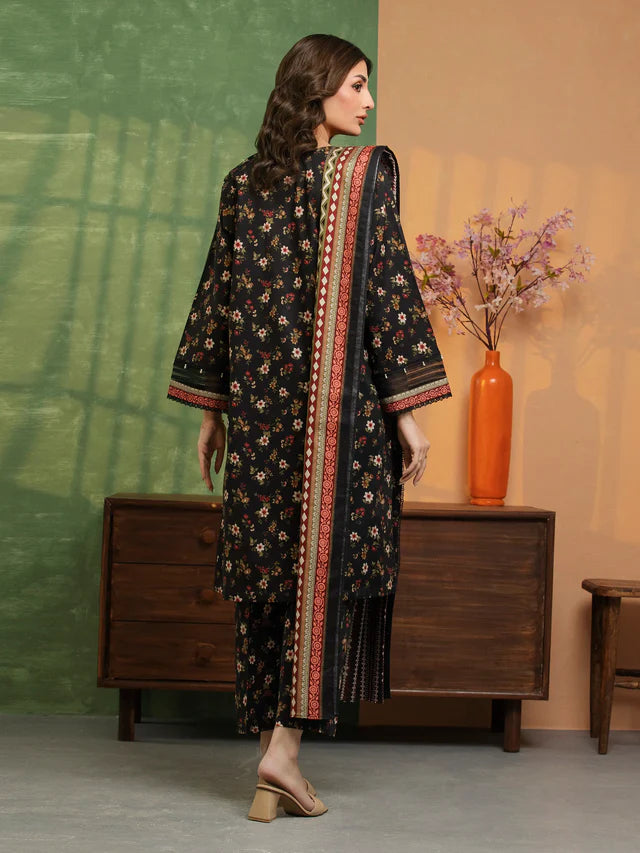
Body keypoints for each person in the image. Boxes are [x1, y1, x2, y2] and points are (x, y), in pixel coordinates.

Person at [167, 34, 452, 821]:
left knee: (276, 576)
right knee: (322, 577)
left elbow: (216, 298)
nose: (367, 101)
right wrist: (411, 421)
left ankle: (273, 757)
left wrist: (213, 410)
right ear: (317, 87)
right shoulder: (360, 183)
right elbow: (390, 301)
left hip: (261, 425)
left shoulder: (244, 185)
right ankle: (282, 753)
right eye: (357, 85)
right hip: (342, 429)